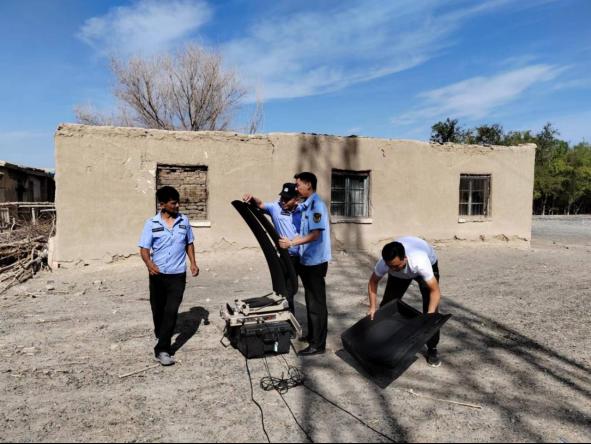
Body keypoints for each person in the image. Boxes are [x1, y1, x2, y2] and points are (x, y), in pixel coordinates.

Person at [139, 186, 199, 366]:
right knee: (158, 309)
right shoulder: (151, 223)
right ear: (162, 205)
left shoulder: (184, 221)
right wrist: (149, 264)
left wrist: (193, 263)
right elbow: (144, 249)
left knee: (171, 311)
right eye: (173, 203)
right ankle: (161, 332)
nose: (177, 206)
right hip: (158, 274)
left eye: (177, 202)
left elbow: (189, 243)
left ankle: (162, 349)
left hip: (177, 274)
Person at [367, 237, 442, 367]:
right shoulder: (385, 263)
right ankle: (387, 341)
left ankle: (432, 348)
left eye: (396, 266)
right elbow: (373, 282)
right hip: (401, 274)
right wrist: (372, 307)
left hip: (422, 268)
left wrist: (429, 316)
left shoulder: (420, 262)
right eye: (390, 266)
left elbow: (435, 291)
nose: (393, 269)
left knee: (431, 310)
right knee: (387, 306)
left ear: (405, 258)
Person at [279, 172, 331, 356]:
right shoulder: (307, 204)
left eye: (298, 184)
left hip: (316, 262)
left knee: (317, 303)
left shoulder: (317, 206)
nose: (296, 188)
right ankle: (313, 336)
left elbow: (315, 234)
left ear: (308, 184)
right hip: (307, 260)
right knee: (310, 301)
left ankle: (318, 345)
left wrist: (292, 243)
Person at [242, 183, 302, 313]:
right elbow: (260, 204)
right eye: (282, 197)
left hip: (304, 257)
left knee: (309, 291)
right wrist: (252, 198)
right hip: (288, 257)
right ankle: (288, 317)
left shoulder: (303, 211)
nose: (283, 201)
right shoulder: (276, 208)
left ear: (296, 199)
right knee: (287, 290)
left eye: (287, 199)